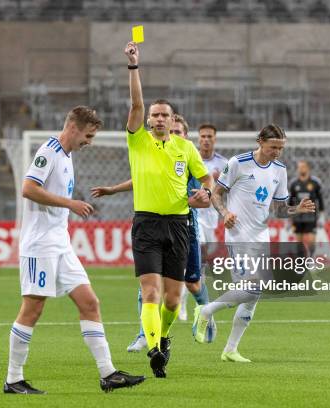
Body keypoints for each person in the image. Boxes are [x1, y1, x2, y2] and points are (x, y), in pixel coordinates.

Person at [4, 106, 145, 394]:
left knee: (90, 302)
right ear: (73, 128)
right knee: (33, 309)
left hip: (60, 244)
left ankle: (109, 374)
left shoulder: (67, 156)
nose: (89, 142)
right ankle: (13, 379)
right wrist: (70, 204)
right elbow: (28, 188)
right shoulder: (49, 151)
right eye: (88, 136)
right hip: (39, 245)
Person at [122, 41, 213, 378]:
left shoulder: (185, 147)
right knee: (150, 291)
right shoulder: (138, 140)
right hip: (146, 225)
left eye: (165, 115)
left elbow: (207, 178)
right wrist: (134, 66)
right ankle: (154, 348)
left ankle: (163, 337)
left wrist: (205, 193)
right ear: (147, 120)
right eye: (154, 115)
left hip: (179, 226)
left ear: (172, 120)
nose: (159, 119)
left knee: (173, 301)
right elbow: (135, 102)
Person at [91, 114, 214, 353]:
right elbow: (141, 178)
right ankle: (145, 335)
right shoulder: (155, 150)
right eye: (173, 130)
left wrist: (202, 197)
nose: (174, 134)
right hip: (153, 224)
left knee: (193, 283)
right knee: (148, 287)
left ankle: (206, 314)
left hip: (186, 226)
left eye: (179, 132)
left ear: (185, 136)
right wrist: (114, 190)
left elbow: (206, 195)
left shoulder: (188, 156)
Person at [193, 124, 315, 362]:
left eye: (281, 148)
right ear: (260, 141)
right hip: (238, 235)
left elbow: (279, 210)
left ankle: (230, 349)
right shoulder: (238, 162)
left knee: (254, 295)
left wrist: (297, 209)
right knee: (254, 287)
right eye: (273, 147)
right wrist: (225, 213)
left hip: (261, 236)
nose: (277, 152)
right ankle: (205, 311)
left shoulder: (279, 170)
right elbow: (216, 194)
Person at [177, 123, 228, 321]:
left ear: (215, 139)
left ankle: (195, 301)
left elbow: (226, 190)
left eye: (210, 136)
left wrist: (215, 187)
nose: (206, 139)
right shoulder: (190, 156)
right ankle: (182, 304)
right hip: (190, 216)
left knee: (200, 264)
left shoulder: (223, 164)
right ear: (198, 138)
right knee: (189, 262)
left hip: (210, 219)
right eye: (203, 136)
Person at [289, 160, 325, 256]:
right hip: (298, 216)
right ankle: (300, 262)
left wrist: (322, 216)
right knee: (298, 242)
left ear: (308, 168)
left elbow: (320, 200)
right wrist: (288, 218)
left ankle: (311, 259)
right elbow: (291, 202)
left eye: (303, 167)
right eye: (299, 167)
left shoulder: (315, 183)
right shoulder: (294, 184)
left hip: (311, 216)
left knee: (311, 240)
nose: (301, 169)